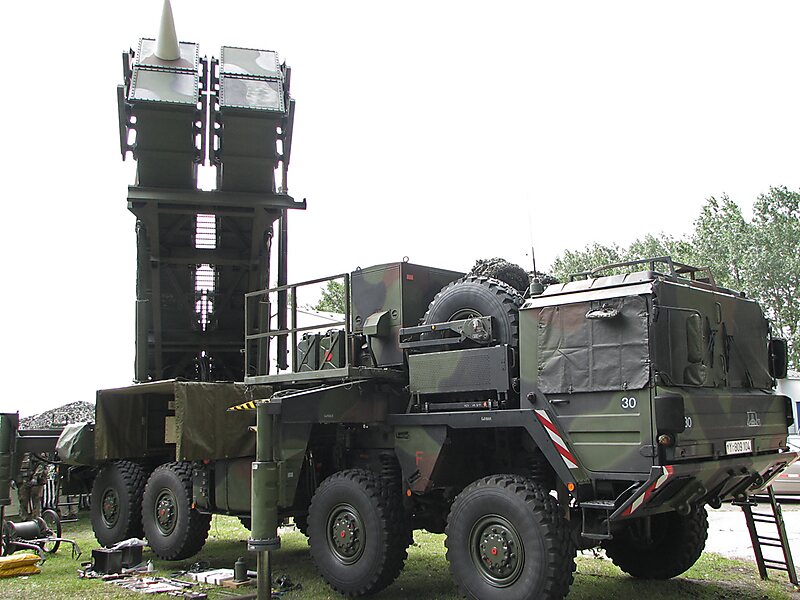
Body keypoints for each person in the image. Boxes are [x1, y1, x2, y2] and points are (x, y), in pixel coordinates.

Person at [15, 453, 46, 521]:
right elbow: (14, 466)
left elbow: (42, 463)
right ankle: (24, 519)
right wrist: (13, 478)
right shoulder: (18, 452)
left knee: (36, 500)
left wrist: (36, 476)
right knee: (23, 500)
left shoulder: (36, 451)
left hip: (36, 480)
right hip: (22, 480)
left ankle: (37, 519)